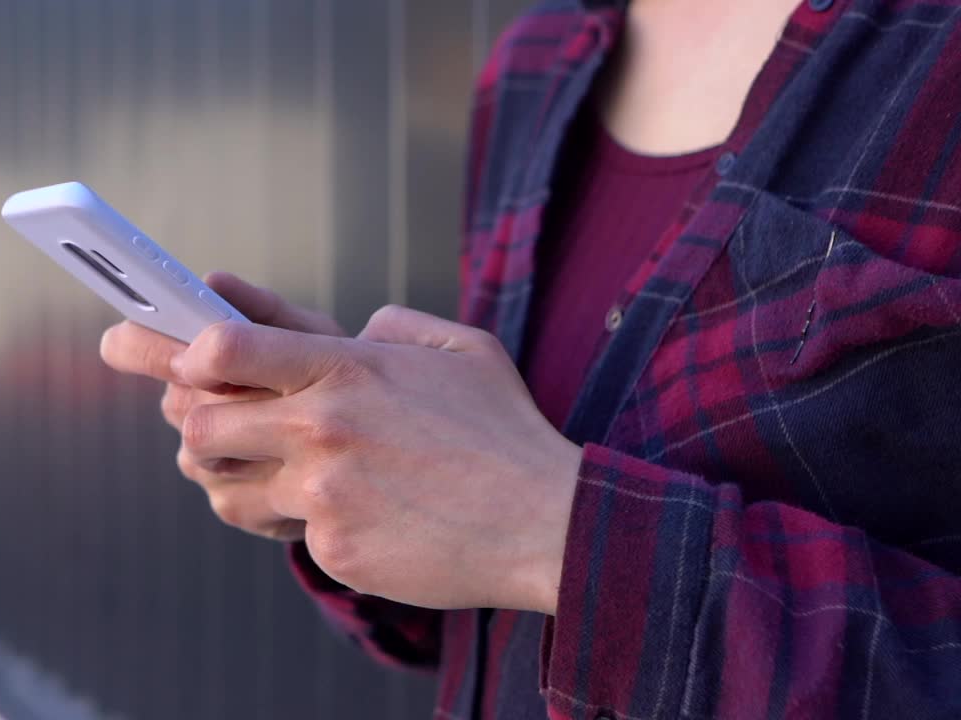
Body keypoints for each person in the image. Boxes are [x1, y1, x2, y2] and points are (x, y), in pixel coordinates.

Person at [100, 0, 961, 717]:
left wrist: (555, 534)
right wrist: (345, 471)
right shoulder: (534, 64)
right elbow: (517, 620)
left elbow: (538, 530)